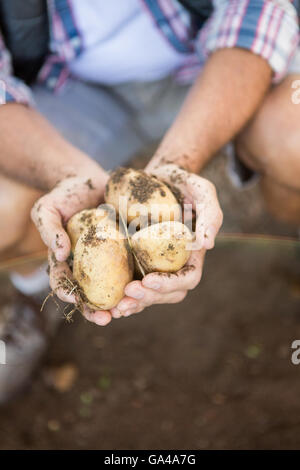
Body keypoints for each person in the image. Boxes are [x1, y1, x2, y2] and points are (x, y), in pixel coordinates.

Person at [0, 0, 299, 402]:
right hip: (68, 84)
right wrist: (68, 175)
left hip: (206, 69)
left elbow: (259, 10)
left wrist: (180, 160)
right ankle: (39, 298)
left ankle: (291, 237)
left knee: (293, 138)